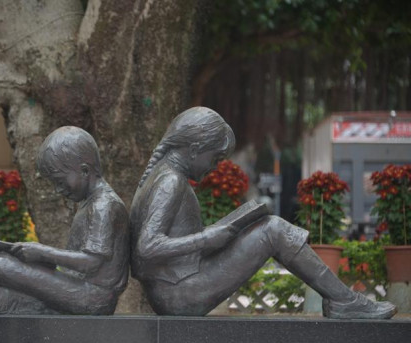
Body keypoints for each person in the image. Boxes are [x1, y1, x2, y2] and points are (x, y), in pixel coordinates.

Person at [130, 106, 396, 319]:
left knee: (265, 225)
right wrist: (209, 238)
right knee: (274, 230)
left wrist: (225, 231)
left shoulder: (160, 177)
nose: (214, 167)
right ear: (194, 150)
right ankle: (346, 301)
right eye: (215, 158)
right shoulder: (170, 181)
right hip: (180, 294)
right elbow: (147, 246)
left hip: (176, 285)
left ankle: (345, 300)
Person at [0, 126, 130, 315]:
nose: (58, 190)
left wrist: (42, 253)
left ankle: (40, 308)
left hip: (93, 296)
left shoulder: (104, 205)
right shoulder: (89, 203)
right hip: (77, 287)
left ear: (84, 171)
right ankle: (40, 308)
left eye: (60, 181)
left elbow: (92, 262)